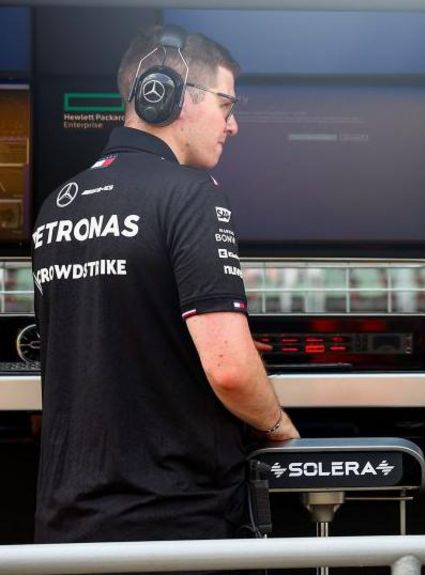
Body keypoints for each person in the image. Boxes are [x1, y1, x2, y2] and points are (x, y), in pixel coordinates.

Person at [32, 25, 299, 546]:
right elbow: (228, 371)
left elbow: (103, 338)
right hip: (174, 520)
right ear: (169, 95)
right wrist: (278, 429)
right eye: (226, 104)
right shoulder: (192, 193)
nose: (233, 124)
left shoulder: (57, 204)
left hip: (65, 524)